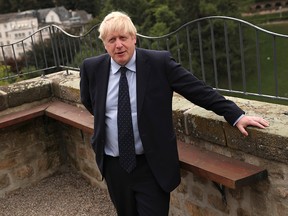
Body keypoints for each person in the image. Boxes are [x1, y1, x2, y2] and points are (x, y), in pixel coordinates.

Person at [80, 11, 269, 216]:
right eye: (112, 40)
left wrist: (235, 115)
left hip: (151, 165)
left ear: (134, 38)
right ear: (104, 44)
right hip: (114, 166)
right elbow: (91, 103)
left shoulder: (158, 63)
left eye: (123, 38)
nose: (118, 45)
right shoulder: (92, 68)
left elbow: (197, 90)